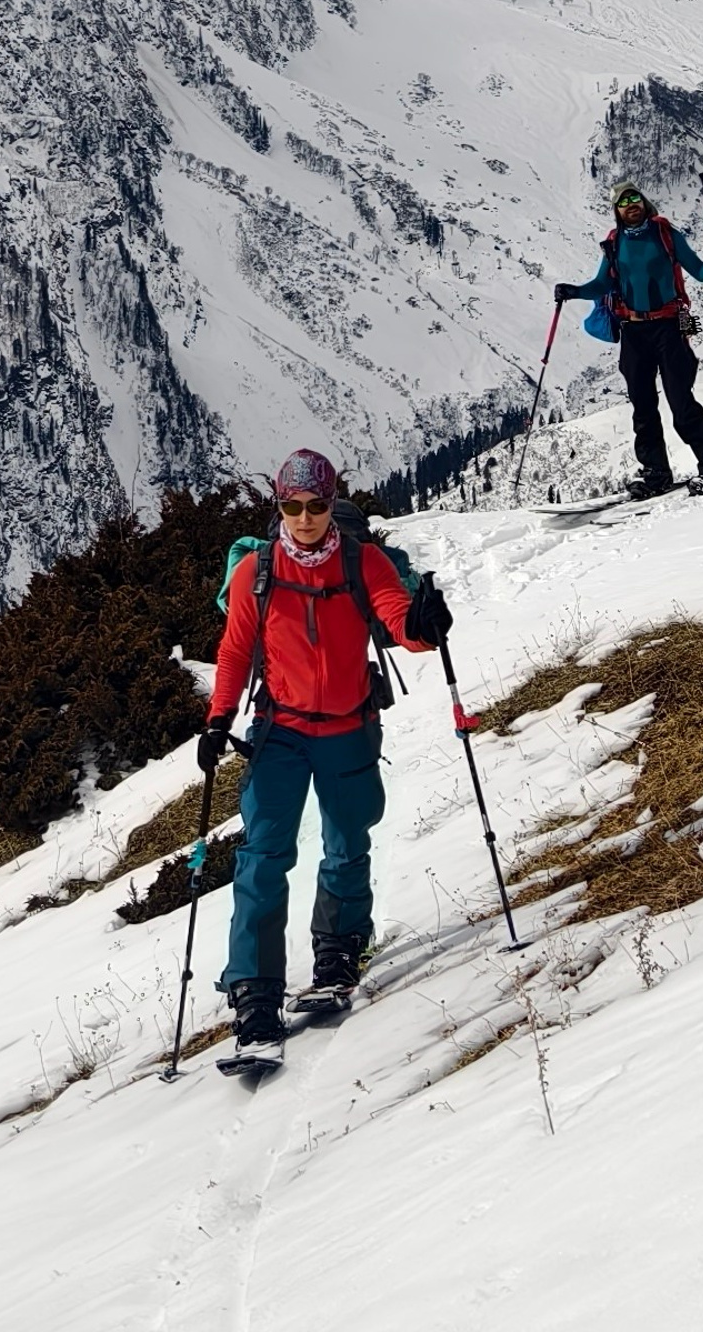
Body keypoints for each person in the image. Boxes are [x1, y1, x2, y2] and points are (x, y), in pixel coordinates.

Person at [198, 447, 450, 1052]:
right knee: (262, 855)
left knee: (345, 845)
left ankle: (337, 954)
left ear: (331, 502)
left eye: (315, 506)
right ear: (278, 506)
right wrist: (217, 720)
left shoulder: (364, 565)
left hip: (347, 726)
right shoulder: (253, 573)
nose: (305, 518)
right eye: (292, 506)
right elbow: (234, 652)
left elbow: (395, 620)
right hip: (278, 730)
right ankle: (255, 993)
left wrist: (424, 626)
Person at [555, 180, 703, 496]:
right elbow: (602, 284)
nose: (630, 205)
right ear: (616, 210)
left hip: (670, 328)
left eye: (635, 198)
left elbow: (701, 272)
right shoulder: (614, 244)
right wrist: (574, 292)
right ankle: (656, 474)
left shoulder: (665, 235)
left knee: (681, 402)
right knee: (643, 406)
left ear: (644, 201)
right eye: (624, 202)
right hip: (633, 331)